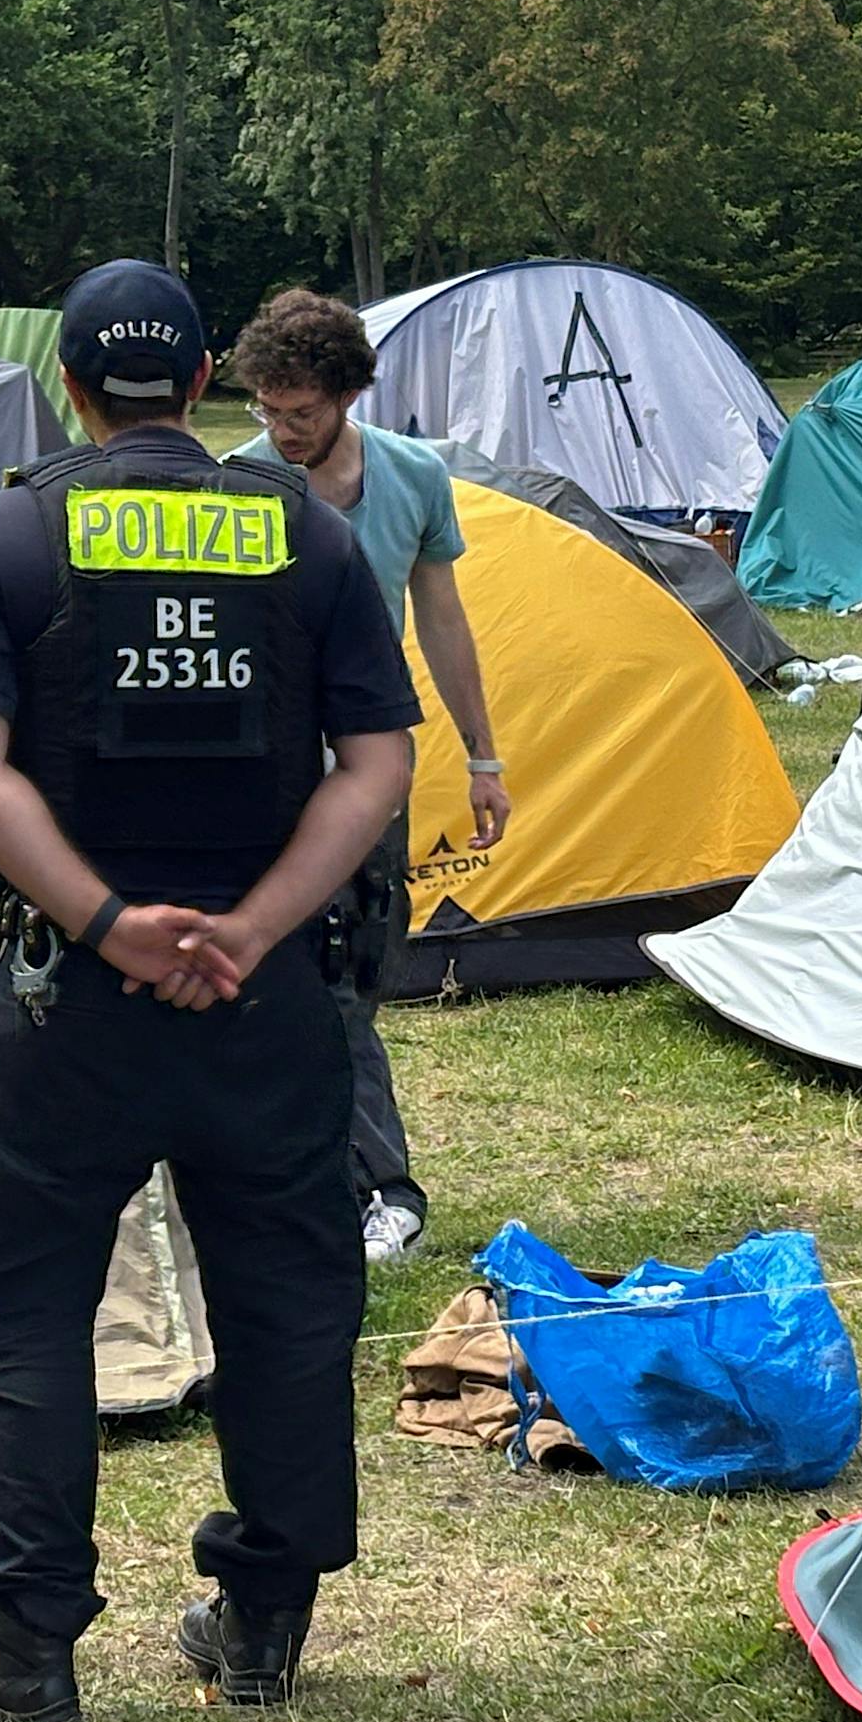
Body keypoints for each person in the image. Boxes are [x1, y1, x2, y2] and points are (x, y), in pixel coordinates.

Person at [0, 259, 420, 1722]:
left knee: (15, 1304)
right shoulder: (308, 539)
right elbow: (376, 765)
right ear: (203, 387)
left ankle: (26, 1654)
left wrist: (112, 923)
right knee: (290, 1306)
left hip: (75, 1002)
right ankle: (259, 1628)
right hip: (272, 1005)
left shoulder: (6, 532)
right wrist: (248, 930)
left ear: (68, 384)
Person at [229, 290, 511, 1264]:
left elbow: (441, 619)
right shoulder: (235, 484)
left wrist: (482, 757)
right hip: (259, 771)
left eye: (298, 411)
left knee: (350, 983)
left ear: (346, 394)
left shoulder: (412, 478)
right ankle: (282, 1183)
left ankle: (379, 1193)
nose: (280, 428)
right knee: (256, 981)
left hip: (367, 768)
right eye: (266, 409)